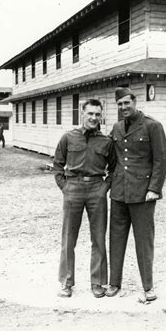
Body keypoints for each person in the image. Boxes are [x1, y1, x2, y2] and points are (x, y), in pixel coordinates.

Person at [106, 87, 166, 302]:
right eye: (120, 104)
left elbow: (160, 160)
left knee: (144, 241)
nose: (123, 107)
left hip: (143, 195)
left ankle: (148, 287)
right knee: (115, 239)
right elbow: (112, 156)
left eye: (126, 103)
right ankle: (114, 283)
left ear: (134, 101)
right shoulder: (116, 127)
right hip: (119, 194)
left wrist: (154, 189)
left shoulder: (152, 126)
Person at [53, 99, 116, 298]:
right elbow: (57, 165)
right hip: (73, 188)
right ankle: (66, 282)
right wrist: (65, 186)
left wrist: (104, 188)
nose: (93, 118)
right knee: (68, 239)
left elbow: (114, 169)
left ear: (101, 116)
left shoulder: (106, 141)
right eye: (90, 114)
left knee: (98, 239)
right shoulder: (68, 138)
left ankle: (97, 282)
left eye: (97, 114)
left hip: (97, 189)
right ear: (82, 113)